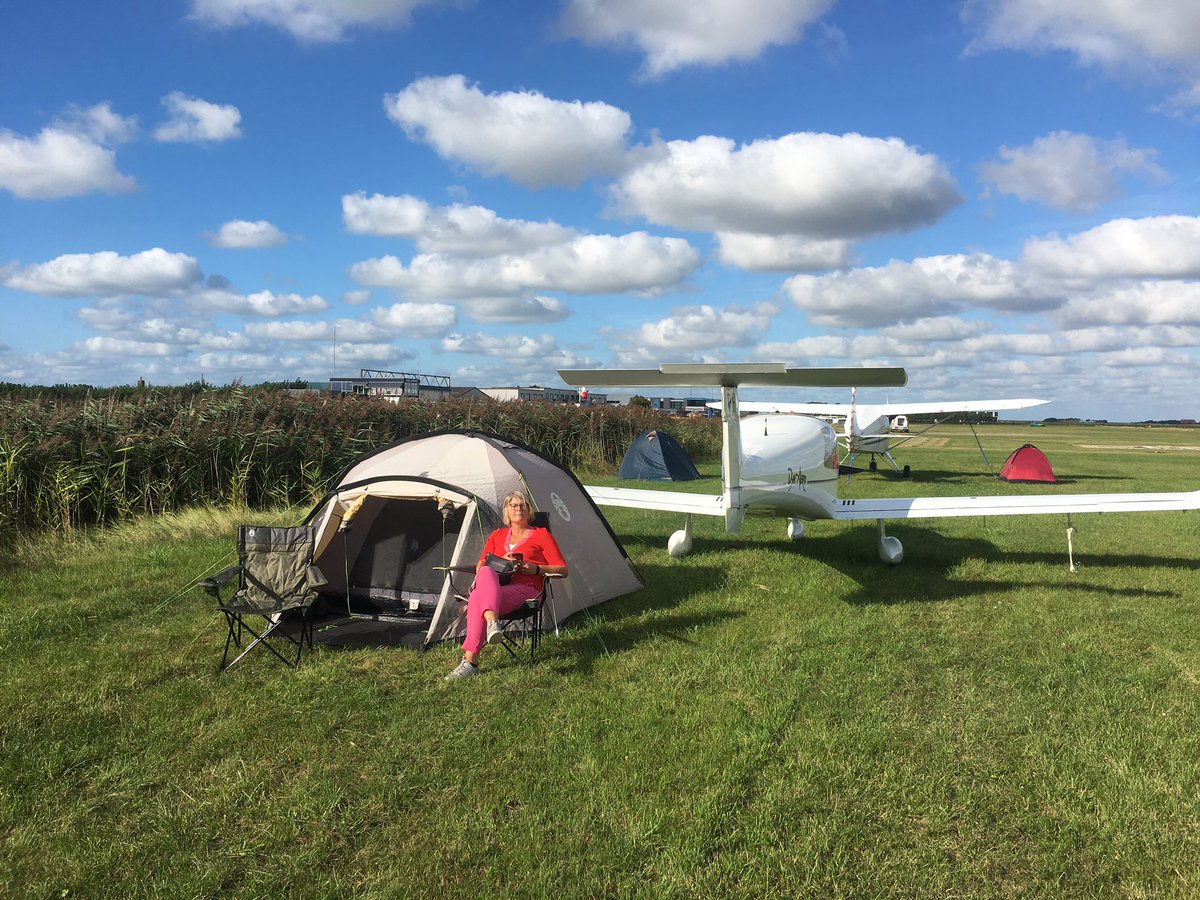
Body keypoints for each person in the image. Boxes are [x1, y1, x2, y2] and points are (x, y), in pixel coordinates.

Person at [445, 490, 567, 680]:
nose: (519, 508)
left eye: (523, 505)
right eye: (514, 505)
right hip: (497, 589)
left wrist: (536, 569)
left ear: (529, 510)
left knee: (477, 598)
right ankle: (492, 622)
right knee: (485, 571)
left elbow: (562, 569)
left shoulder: (541, 535)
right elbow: (480, 566)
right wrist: (501, 560)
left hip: (528, 592)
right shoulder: (497, 536)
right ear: (507, 512)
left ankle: (470, 662)